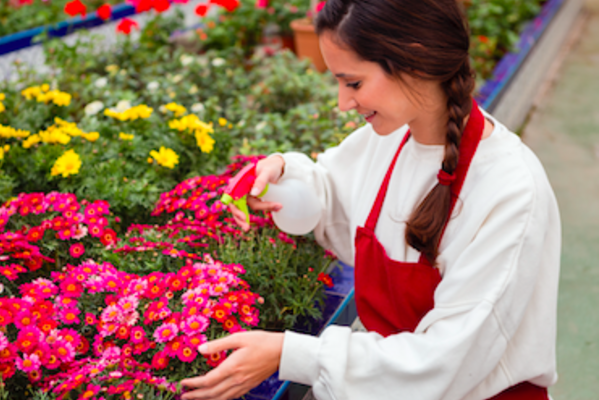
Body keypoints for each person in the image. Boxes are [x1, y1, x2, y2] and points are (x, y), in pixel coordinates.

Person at [180, 0, 561, 399]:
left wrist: (288, 354)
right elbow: (331, 195)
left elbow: (441, 362)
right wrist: (281, 178)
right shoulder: (393, 138)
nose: (343, 102)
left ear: (414, 61)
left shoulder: (510, 189)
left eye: (354, 83)